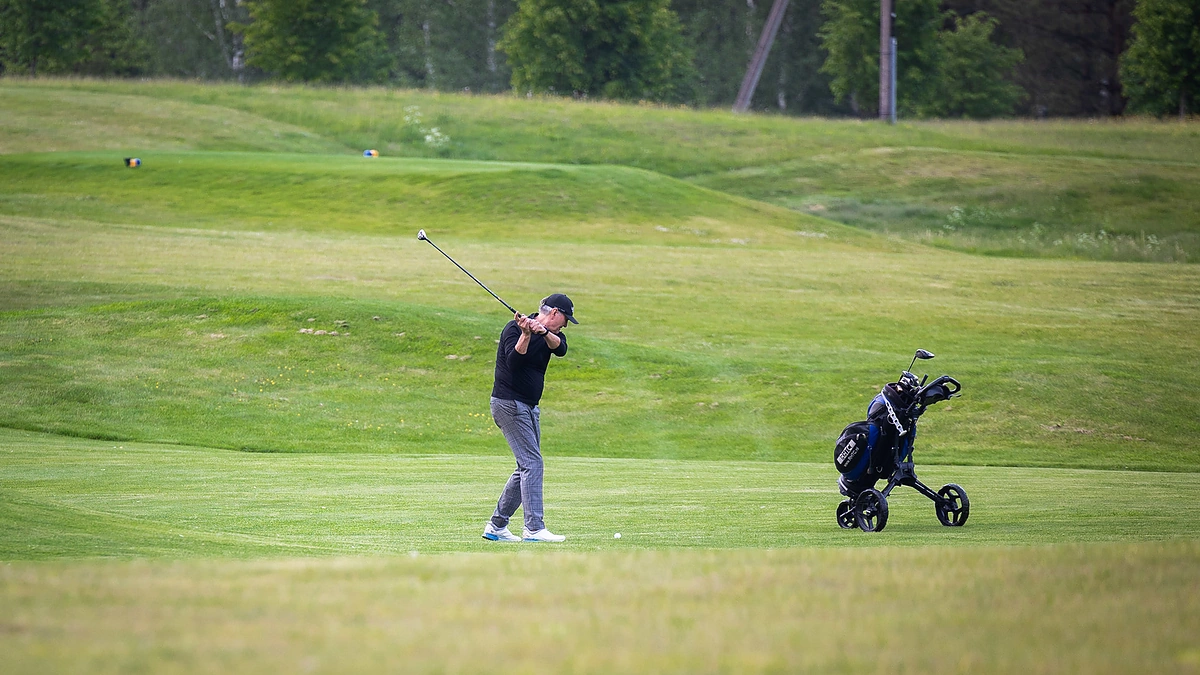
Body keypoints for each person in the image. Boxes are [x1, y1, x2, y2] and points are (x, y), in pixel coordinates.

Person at [482, 293, 578, 543]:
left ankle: (496, 526)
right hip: (508, 403)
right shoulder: (514, 328)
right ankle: (534, 528)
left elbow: (562, 350)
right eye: (565, 319)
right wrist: (526, 334)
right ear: (555, 312)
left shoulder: (553, 337)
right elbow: (513, 363)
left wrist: (543, 332)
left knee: (525, 467)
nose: (565, 324)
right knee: (532, 464)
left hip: (529, 407)